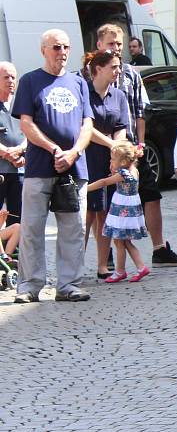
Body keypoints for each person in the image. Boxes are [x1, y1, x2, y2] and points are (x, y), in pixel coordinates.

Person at [95, 24, 177, 267]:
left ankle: (159, 248)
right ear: (99, 45)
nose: (116, 48)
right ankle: (105, 254)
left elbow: (139, 112)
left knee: (151, 195)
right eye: (110, 44)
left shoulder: (130, 74)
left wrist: (140, 143)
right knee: (105, 202)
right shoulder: (90, 73)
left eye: (119, 44)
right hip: (103, 146)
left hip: (130, 147)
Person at [12, 28, 94, 303]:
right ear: (43, 50)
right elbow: (26, 123)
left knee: (74, 229)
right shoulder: (31, 80)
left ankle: (69, 285)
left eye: (66, 47)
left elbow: (87, 124)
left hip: (74, 168)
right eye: (56, 47)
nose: (62, 53)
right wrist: (54, 149)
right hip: (39, 167)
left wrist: (73, 153)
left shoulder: (79, 82)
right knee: (32, 228)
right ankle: (29, 287)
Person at [81, 50, 130, 279]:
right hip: (88, 157)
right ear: (98, 69)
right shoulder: (84, 92)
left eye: (118, 66)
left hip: (111, 161)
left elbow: (121, 125)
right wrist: (112, 144)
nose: (118, 71)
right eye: (113, 67)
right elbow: (86, 129)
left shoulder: (118, 95)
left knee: (106, 214)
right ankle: (74, 265)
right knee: (87, 214)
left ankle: (102, 264)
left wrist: (118, 152)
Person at [88, 141, 150, 282]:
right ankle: (141, 267)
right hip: (131, 210)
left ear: (122, 161)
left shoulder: (123, 173)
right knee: (126, 241)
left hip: (122, 211)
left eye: (113, 159)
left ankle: (120, 271)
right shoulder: (134, 170)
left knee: (119, 242)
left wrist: (86, 188)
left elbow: (104, 182)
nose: (111, 161)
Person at [0, 61, 26, 223]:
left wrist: (23, 153)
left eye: (13, 77)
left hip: (20, 170)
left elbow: (31, 133)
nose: (11, 81)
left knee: (17, 215)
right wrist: (8, 154)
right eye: (6, 77)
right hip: (1, 170)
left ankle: (14, 248)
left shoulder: (22, 104)